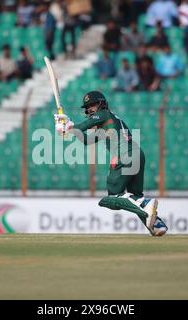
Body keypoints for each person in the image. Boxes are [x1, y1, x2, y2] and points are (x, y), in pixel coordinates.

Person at [53, 91, 168, 236]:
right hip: (137, 155)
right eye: (87, 107)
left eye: (92, 105)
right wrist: (69, 129)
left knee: (110, 199)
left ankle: (146, 204)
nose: (90, 109)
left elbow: (83, 125)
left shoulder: (104, 114)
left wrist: (68, 125)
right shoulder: (109, 122)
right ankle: (156, 225)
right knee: (135, 196)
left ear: (102, 103)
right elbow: (86, 140)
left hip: (124, 156)